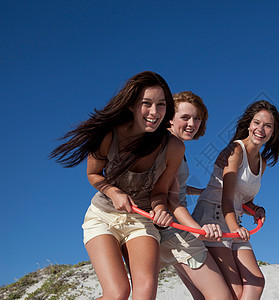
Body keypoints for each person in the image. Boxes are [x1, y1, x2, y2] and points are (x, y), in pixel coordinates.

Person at [50, 71, 184, 299]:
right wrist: (113, 192)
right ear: (132, 105)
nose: (154, 112)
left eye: (161, 104)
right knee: (117, 292)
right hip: (103, 216)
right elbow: (93, 174)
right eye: (146, 103)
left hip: (142, 219)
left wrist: (161, 209)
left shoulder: (173, 147)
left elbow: (160, 192)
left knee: (145, 294)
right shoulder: (108, 136)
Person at [192, 100, 279, 299]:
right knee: (234, 291)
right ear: (249, 125)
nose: (261, 129)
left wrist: (256, 208)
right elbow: (227, 197)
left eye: (268, 126)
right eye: (257, 123)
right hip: (213, 217)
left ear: (273, 133)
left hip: (234, 220)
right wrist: (235, 228)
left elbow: (241, 198)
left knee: (256, 282)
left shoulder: (262, 163)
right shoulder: (235, 151)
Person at [159, 91, 232, 300]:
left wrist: (200, 191)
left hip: (170, 232)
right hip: (177, 232)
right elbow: (171, 199)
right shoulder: (171, 146)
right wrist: (198, 230)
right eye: (185, 117)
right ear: (170, 118)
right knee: (221, 297)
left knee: (200, 297)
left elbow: (175, 186)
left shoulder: (171, 145)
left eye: (197, 118)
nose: (192, 123)